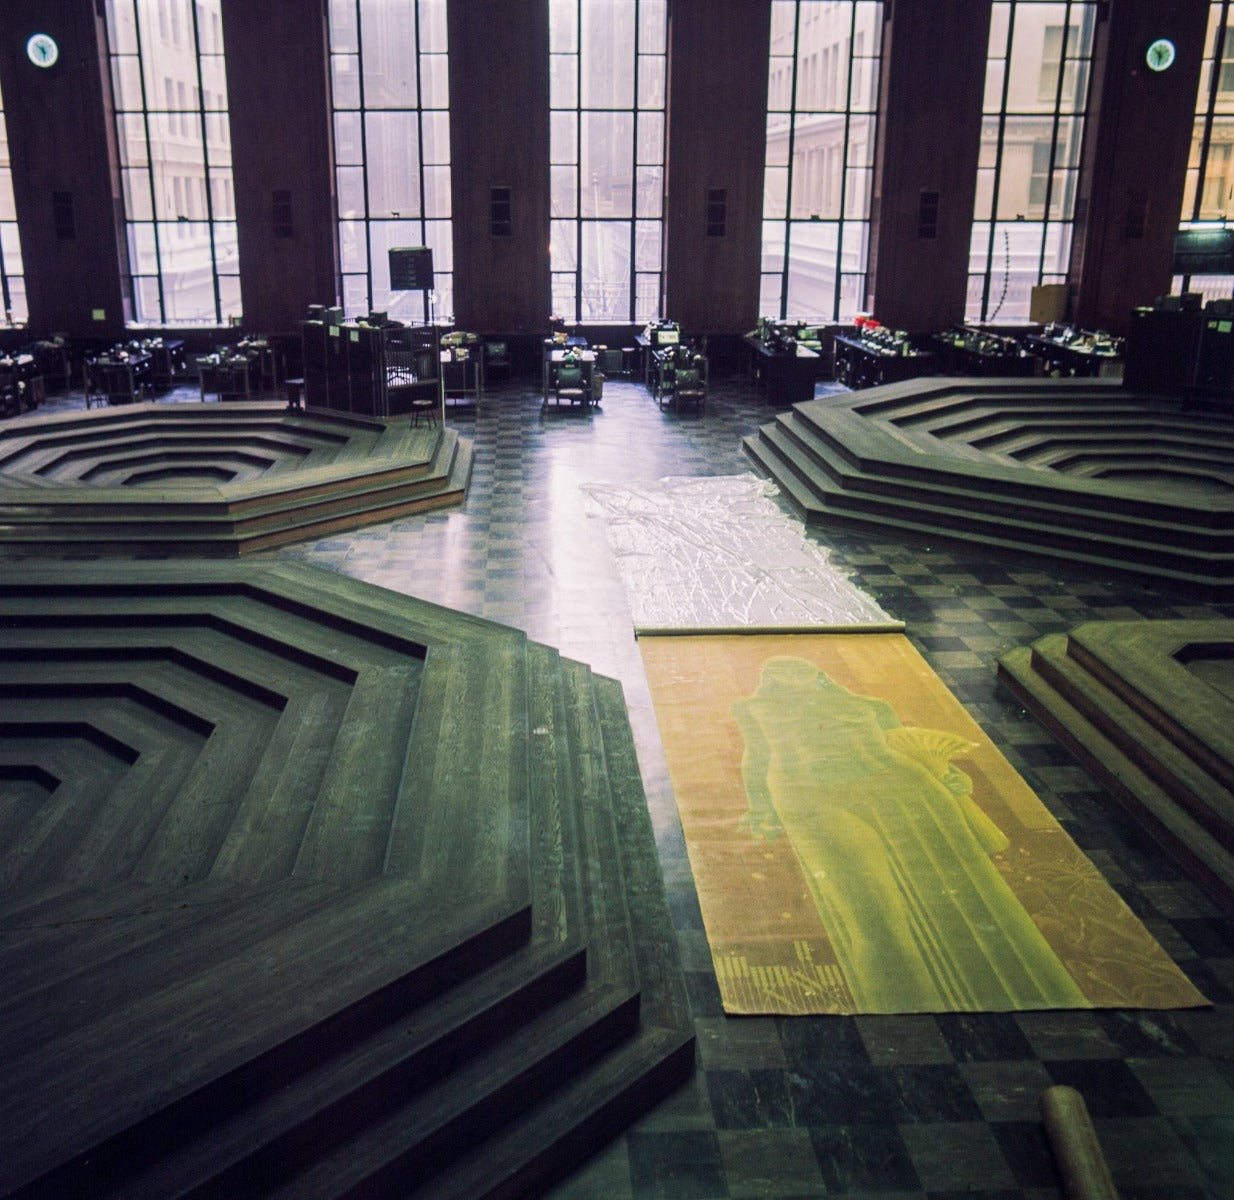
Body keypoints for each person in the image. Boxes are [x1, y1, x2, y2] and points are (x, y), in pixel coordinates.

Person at [733, 655, 1085, 1011]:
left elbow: (904, 746)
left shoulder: (871, 705)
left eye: (800, 666)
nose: (793, 672)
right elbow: (756, 756)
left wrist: (945, 776)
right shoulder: (752, 708)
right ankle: (895, 1012)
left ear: (818, 672)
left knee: (967, 887)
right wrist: (760, 805)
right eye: (781, 669)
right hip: (813, 795)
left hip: (904, 786)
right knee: (871, 909)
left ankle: (1020, 987)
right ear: (768, 677)